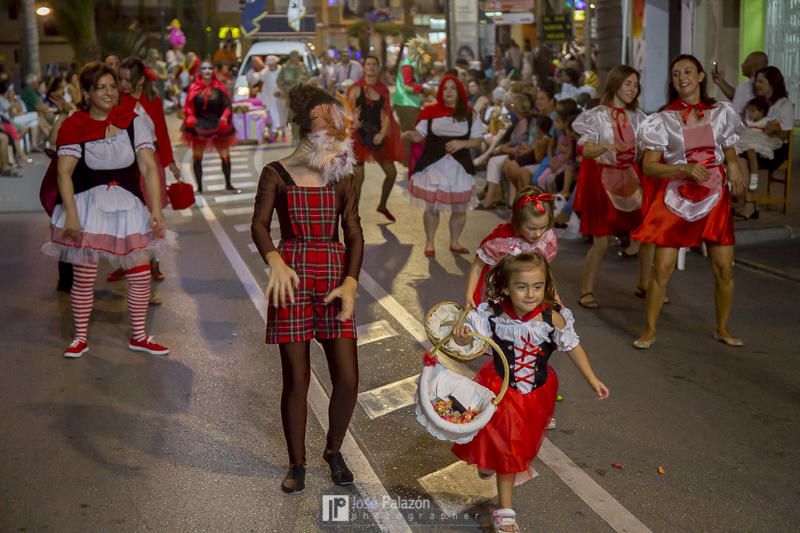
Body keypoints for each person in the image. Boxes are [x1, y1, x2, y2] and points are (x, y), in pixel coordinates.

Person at [251, 84, 363, 494]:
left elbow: (353, 231)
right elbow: (260, 225)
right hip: (293, 276)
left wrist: (350, 282)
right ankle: (296, 463)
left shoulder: (344, 171)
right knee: (296, 378)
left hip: (334, 276)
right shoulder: (276, 173)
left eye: (336, 120)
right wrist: (275, 259)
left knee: (348, 378)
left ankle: (333, 450)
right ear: (304, 125)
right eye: (323, 119)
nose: (334, 126)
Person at [451, 251, 609, 533]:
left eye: (537, 286)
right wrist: (460, 336)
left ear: (545, 286)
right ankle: (506, 511)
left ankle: (492, 465)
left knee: (515, 444)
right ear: (506, 288)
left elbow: (572, 347)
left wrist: (592, 378)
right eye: (521, 287)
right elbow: (464, 340)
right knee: (507, 446)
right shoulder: (492, 315)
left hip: (536, 393)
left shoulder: (553, 318)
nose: (530, 294)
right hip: (499, 387)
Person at [41, 61, 171, 358]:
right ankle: (80, 338)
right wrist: (72, 214)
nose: (110, 93)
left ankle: (139, 335)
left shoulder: (132, 119)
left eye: (113, 86)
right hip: (89, 206)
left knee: (139, 273)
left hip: (128, 205)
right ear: (86, 92)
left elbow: (149, 166)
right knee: (84, 276)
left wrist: (156, 209)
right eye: (101, 87)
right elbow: (64, 172)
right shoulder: (75, 124)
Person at [631, 54, 745, 349]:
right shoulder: (663, 119)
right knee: (663, 269)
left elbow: (729, 147)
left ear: (701, 76)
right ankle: (649, 330)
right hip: (676, 200)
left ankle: (723, 328)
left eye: (687, 71)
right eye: (676, 73)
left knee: (724, 268)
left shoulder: (721, 112)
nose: (682, 77)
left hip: (715, 196)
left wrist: (732, 165)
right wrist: (681, 168)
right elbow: (649, 166)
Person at [572, 65, 649, 309]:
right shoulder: (597, 115)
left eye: (635, 85)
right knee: (601, 241)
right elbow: (584, 149)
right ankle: (586, 290)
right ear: (615, 84)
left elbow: (648, 148)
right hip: (602, 182)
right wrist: (606, 147)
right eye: (628, 83)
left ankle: (646, 285)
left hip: (630, 180)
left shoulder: (639, 117)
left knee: (647, 234)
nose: (632, 89)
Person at [402, 75, 485, 257]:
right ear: (440, 91)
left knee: (460, 208)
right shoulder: (429, 111)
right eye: (445, 88)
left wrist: (462, 144)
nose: (448, 91)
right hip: (434, 166)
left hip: (459, 168)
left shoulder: (470, 114)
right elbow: (418, 136)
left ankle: (455, 242)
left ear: (459, 92)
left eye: (453, 88)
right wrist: (407, 135)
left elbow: (477, 141)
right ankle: (430, 242)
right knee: (431, 207)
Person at [465, 186, 558, 307]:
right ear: (517, 222)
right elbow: (478, 266)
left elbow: (544, 272)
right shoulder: (501, 241)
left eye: (543, 227)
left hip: (527, 298)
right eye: (531, 228)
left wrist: (555, 298)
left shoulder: (547, 239)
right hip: (499, 294)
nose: (538, 234)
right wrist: (469, 295)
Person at [347, 55, 405, 220]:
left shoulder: (382, 89)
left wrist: (382, 133)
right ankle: (353, 214)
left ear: (378, 67)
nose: (371, 67)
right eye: (368, 64)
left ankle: (382, 205)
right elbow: (349, 110)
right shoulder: (355, 88)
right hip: (358, 136)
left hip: (377, 135)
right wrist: (353, 122)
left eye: (374, 64)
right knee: (358, 178)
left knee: (392, 173)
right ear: (364, 67)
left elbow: (387, 113)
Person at [735, 66, 795, 219]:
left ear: (773, 83)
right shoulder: (756, 103)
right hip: (753, 142)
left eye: (761, 81)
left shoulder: (784, 105)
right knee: (735, 154)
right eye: (756, 81)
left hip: (775, 148)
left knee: (743, 156)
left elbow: (784, 135)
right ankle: (748, 204)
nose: (757, 85)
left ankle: (749, 205)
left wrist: (772, 130)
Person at [181, 61, 238, 194]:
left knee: (225, 155)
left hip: (218, 123)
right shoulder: (193, 87)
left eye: (210, 68)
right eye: (204, 68)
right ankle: (199, 187)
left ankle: (228, 184)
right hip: (199, 124)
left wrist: (224, 117)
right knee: (197, 156)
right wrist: (190, 116)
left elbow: (227, 106)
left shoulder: (220, 86)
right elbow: (188, 106)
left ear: (213, 70)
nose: (207, 71)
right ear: (199, 71)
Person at [735, 96, 783, 191]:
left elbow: (776, 128)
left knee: (750, 151)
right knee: (733, 150)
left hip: (758, 139)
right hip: (747, 137)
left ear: (761, 112)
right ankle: (733, 178)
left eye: (752, 111)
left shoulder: (765, 121)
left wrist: (773, 129)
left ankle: (754, 175)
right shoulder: (749, 121)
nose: (750, 113)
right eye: (749, 110)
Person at [711, 51, 768, 116]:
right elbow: (738, 98)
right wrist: (721, 82)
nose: (742, 64)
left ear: (753, 67)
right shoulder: (745, 87)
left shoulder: (746, 87)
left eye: (746, 62)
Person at [260, 55, 288, 143]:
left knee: (283, 115)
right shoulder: (265, 73)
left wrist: (283, 92)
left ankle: (284, 133)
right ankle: (274, 134)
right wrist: (264, 101)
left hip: (282, 98)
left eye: (272, 64)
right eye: (269, 65)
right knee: (273, 116)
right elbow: (264, 86)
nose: (270, 66)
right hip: (270, 98)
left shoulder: (282, 71)